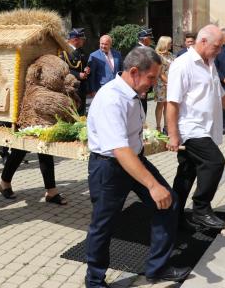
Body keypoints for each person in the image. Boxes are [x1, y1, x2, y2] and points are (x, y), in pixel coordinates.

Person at [85, 46, 190, 287]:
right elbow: (120, 150)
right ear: (134, 72)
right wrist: (152, 185)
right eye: (151, 78)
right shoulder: (111, 98)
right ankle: (94, 280)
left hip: (135, 160)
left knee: (169, 202)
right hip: (109, 168)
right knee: (103, 225)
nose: (154, 84)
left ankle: (157, 268)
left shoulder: (133, 94)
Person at [166, 24, 225, 230]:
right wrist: (173, 135)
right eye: (217, 46)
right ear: (203, 41)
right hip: (190, 128)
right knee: (214, 162)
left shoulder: (210, 63)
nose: (220, 51)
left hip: (206, 127)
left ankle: (172, 218)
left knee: (186, 173)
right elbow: (172, 103)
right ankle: (201, 209)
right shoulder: (182, 65)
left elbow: (220, 94)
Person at [60, 28, 90, 115]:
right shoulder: (63, 52)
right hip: (70, 87)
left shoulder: (81, 51)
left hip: (81, 87)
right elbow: (62, 69)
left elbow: (85, 64)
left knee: (81, 113)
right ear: (75, 40)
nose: (83, 41)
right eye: (82, 39)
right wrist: (78, 75)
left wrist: (87, 69)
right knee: (72, 113)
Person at [153, 36, 175, 133]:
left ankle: (166, 126)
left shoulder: (170, 55)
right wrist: (168, 82)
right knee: (160, 105)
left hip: (170, 83)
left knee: (167, 105)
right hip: (161, 84)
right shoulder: (157, 56)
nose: (171, 44)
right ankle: (158, 126)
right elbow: (160, 72)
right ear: (164, 44)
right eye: (170, 43)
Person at [137, 28, 154, 114]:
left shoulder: (146, 48)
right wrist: (142, 88)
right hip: (140, 84)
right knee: (140, 108)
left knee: (143, 106)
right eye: (150, 38)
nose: (151, 40)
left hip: (145, 83)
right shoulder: (138, 50)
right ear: (145, 39)